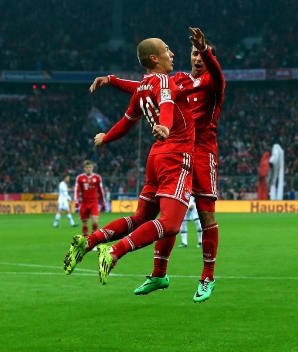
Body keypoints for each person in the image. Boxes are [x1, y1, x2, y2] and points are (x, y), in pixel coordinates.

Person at [88, 27, 225, 302]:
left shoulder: (214, 83)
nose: (197, 58)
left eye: (202, 54)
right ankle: (158, 273)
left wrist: (207, 50)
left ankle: (207, 276)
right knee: (168, 215)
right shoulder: (180, 80)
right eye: (194, 53)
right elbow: (145, 87)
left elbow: (218, 74)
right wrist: (112, 81)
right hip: (176, 151)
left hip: (202, 154)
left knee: (206, 216)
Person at [63, 37, 195, 292]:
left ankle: (90, 241)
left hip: (155, 158)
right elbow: (167, 104)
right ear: (155, 59)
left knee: (140, 218)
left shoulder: (144, 88)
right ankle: (114, 251)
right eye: (167, 50)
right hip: (176, 155)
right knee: (169, 224)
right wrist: (166, 126)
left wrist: (106, 136)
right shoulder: (166, 81)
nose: (173, 53)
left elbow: (126, 121)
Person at [74, 160, 106, 236]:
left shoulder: (97, 178)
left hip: (94, 202)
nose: (88, 169)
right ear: (84, 168)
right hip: (84, 203)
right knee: (85, 222)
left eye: (90, 167)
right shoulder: (80, 178)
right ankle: (86, 241)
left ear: (92, 168)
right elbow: (77, 190)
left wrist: (103, 202)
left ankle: (93, 240)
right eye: (87, 167)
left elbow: (101, 191)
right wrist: (76, 201)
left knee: (95, 221)